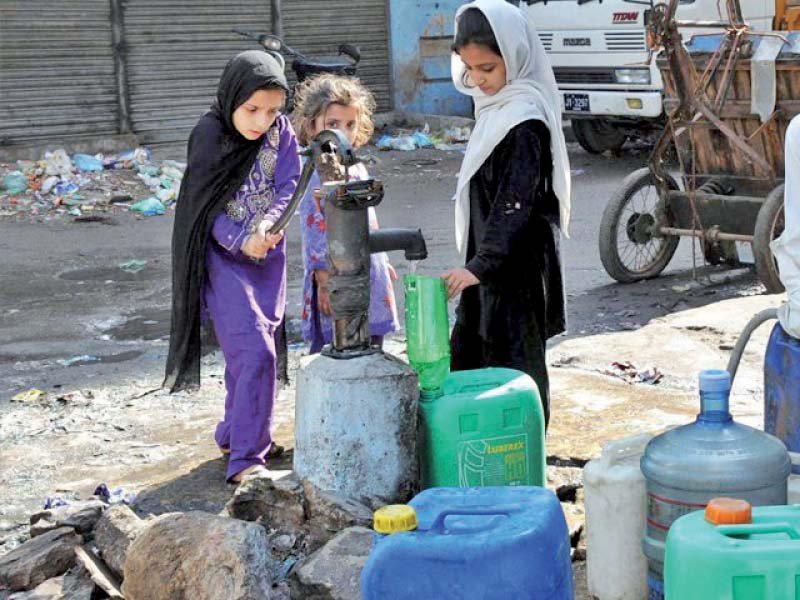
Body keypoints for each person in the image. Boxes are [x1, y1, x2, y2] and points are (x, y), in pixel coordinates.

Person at [164, 50, 301, 482]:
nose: (261, 121)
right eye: (252, 109)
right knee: (256, 352)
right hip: (221, 259)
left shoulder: (281, 132)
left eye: (272, 110)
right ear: (232, 100)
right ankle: (246, 459)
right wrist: (243, 240)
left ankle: (234, 432)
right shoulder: (209, 134)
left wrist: (270, 224)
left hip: (268, 258)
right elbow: (202, 207)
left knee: (247, 353)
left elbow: (289, 182)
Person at [441, 0, 571, 427]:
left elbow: (517, 201)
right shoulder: (495, 106)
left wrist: (483, 263)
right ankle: (479, 454)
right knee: (476, 354)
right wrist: (479, 264)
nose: (478, 80)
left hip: (516, 263)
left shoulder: (525, 118)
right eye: (469, 68)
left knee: (517, 366)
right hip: (491, 259)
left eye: (488, 69)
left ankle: (525, 460)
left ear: (514, 57)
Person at [292, 74, 399, 353]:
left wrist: (382, 259)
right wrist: (325, 280)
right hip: (335, 276)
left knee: (370, 346)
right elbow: (313, 229)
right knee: (334, 349)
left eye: (350, 125)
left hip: (367, 268)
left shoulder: (357, 169)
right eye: (333, 125)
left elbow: (368, 221)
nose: (343, 133)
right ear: (313, 127)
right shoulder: (316, 173)